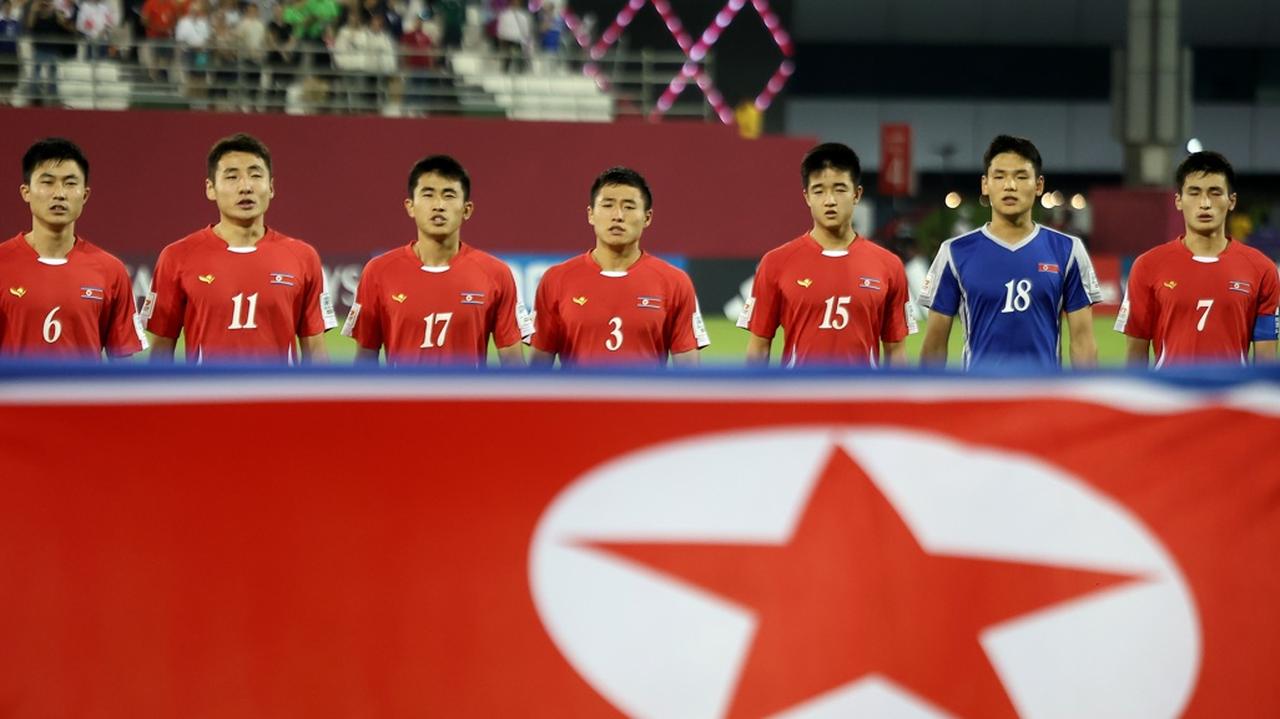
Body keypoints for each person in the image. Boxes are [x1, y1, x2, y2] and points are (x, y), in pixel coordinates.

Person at [144, 133, 336, 363]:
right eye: (232, 177)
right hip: (208, 388)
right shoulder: (177, 257)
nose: (245, 187)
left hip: (278, 388)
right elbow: (161, 353)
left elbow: (316, 352)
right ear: (210, 189)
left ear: (271, 187)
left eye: (255, 175)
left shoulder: (303, 257)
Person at [919, 135, 1102, 369]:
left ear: (1039, 185)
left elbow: (1083, 343)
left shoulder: (1068, 250)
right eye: (999, 176)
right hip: (981, 391)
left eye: (1021, 176)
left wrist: (1083, 392)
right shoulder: (954, 253)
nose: (1010, 186)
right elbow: (934, 346)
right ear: (985, 184)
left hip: (1043, 391)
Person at [738, 142, 916, 367]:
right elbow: (758, 348)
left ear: (857, 194)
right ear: (807, 197)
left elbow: (896, 351)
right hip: (799, 389)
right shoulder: (775, 263)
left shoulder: (889, 265)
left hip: (863, 390)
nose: (830, 201)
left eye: (839, 189)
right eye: (819, 190)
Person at [342, 155, 529, 367]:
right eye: (428, 194)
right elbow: (364, 363)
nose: (438, 205)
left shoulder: (496, 274)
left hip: (468, 391)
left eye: (449, 196)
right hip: (402, 391)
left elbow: (513, 364)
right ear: (410, 206)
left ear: (467, 209)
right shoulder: (378, 272)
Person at [529, 166, 709, 368]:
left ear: (647, 217)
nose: (618, 216)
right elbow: (538, 370)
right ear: (590, 214)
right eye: (608, 205)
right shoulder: (556, 279)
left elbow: (689, 372)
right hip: (580, 391)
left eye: (629, 207)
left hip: (645, 391)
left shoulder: (675, 282)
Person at [1115, 151, 1278, 366]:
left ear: (1231, 201)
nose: (1205, 203)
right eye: (1194, 193)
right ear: (1178, 201)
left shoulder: (1262, 269)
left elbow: (1266, 361)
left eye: (1215, 193)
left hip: (1231, 388)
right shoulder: (1147, 266)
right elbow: (1135, 357)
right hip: (1170, 388)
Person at [0, 138, 146, 360]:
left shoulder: (111, 271)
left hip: (83, 386)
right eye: (47, 182)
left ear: (85, 195)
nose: (59, 193)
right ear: (25, 192)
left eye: (70, 183)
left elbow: (123, 363)